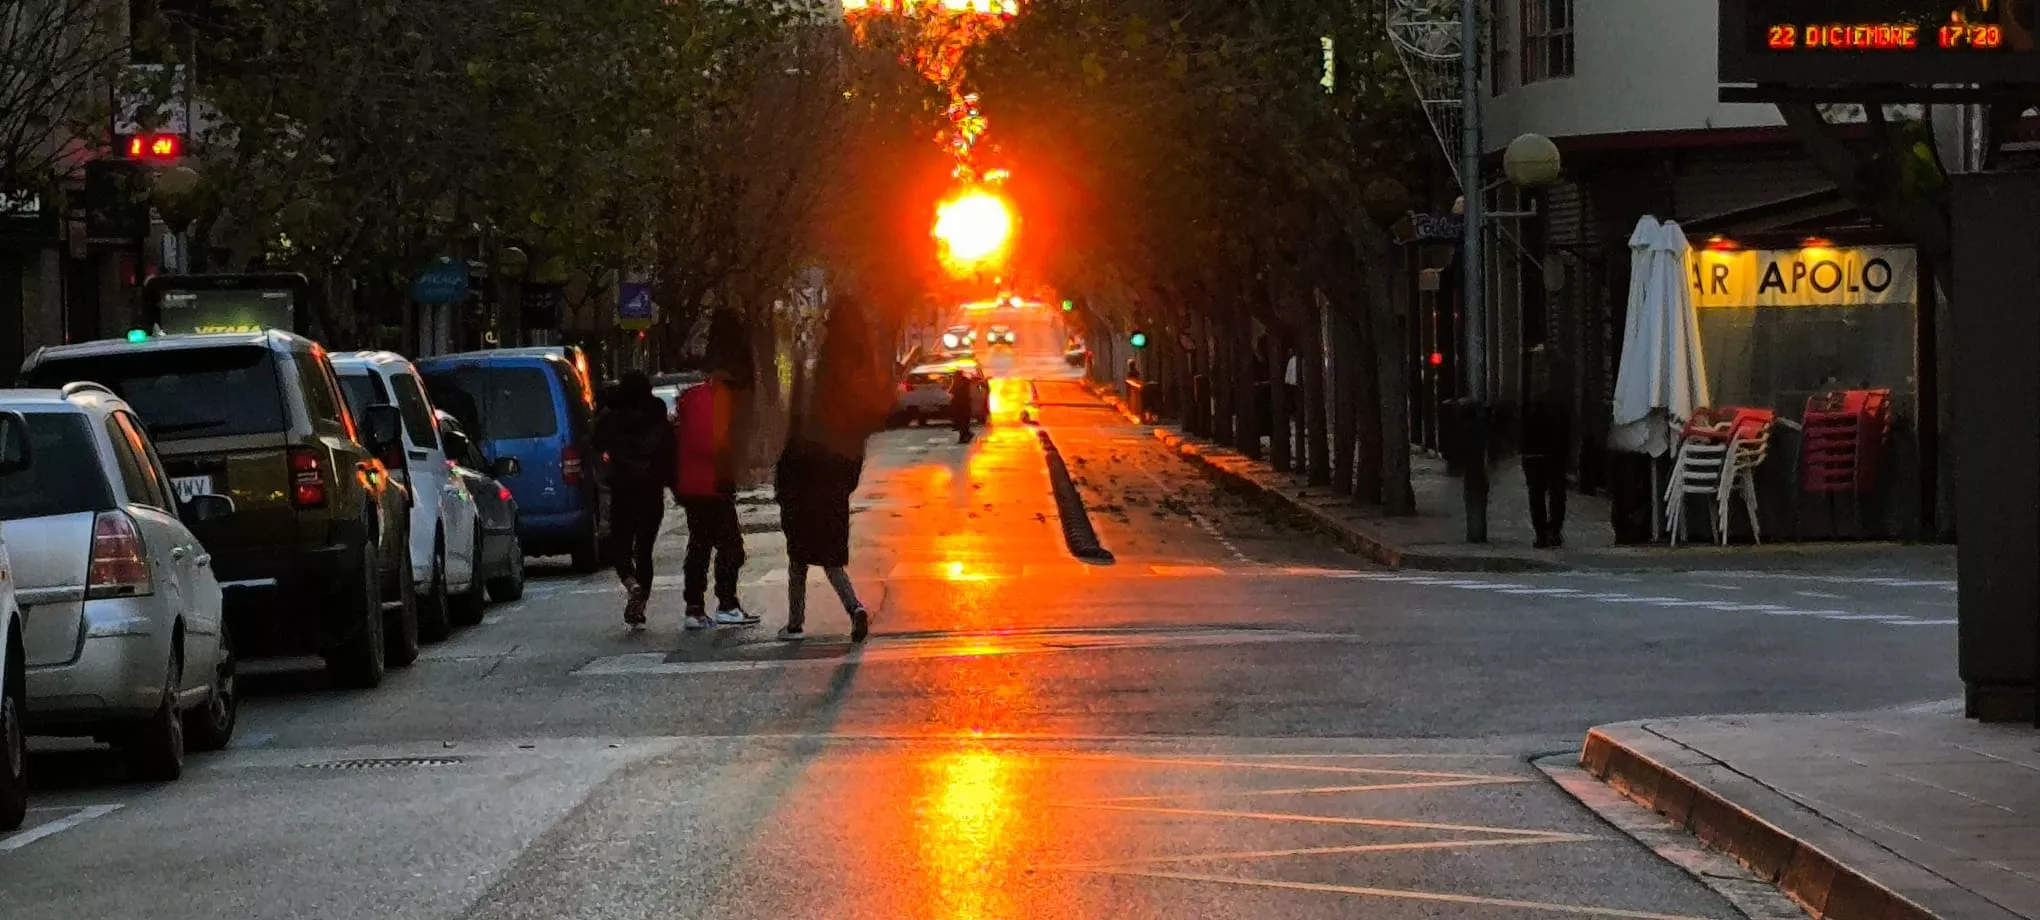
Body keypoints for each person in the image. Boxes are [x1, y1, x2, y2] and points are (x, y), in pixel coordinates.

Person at [672, 365, 757, 629]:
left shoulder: (694, 397)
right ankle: (727, 604)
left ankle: (694, 607)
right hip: (713, 485)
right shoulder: (720, 403)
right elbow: (714, 444)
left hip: (691, 486)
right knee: (731, 547)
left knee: (699, 546)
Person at [773, 418, 871, 643]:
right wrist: (842, 491)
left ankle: (795, 624)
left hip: (801, 508)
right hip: (832, 506)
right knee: (833, 565)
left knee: (797, 566)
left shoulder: (798, 436)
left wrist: (784, 499)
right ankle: (854, 608)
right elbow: (853, 464)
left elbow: (784, 473)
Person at [590, 371, 674, 629]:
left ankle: (630, 582)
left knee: (621, 546)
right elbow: (670, 454)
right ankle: (640, 602)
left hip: (622, 490)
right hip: (651, 492)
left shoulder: (612, 420)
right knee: (645, 551)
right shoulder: (658, 420)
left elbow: (595, 443)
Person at [1521, 345, 1575, 549]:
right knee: (1550, 492)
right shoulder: (1553, 388)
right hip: (1545, 446)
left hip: (1544, 446)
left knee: (1544, 492)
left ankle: (1546, 532)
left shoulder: (1531, 387)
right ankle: (1548, 531)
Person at [948, 370, 976, 444]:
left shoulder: (962, 382)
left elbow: (954, 391)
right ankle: (966, 435)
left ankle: (964, 437)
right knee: (961, 422)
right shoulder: (960, 381)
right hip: (960, 405)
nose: (955, 377)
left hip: (962, 405)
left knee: (963, 422)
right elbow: (951, 391)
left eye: (956, 376)